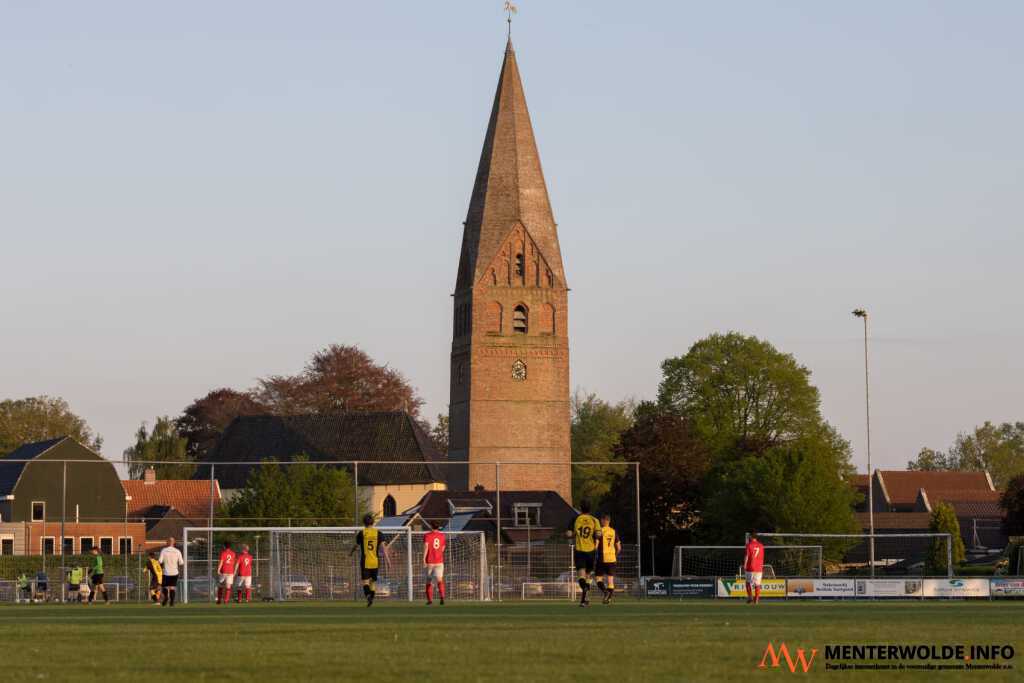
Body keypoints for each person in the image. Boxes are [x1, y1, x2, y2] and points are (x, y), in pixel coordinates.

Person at [566, 500, 601, 607]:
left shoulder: (576, 519)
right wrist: (595, 535)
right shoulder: (595, 520)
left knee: (581, 576)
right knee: (588, 576)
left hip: (580, 551)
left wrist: (571, 535)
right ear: (590, 509)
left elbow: (568, 534)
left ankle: (584, 593)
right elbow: (599, 534)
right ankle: (584, 600)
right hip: (591, 551)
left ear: (581, 508)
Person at [351, 514, 388, 607]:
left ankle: (368, 596)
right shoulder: (378, 533)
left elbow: (356, 545)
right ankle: (371, 597)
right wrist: (388, 560)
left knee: (365, 582)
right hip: (375, 561)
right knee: (373, 582)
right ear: (373, 522)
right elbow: (383, 548)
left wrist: (351, 552)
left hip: (365, 561)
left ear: (364, 523)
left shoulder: (361, 533)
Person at [595, 514, 622, 605]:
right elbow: (619, 548)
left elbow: (596, 545)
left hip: (602, 558)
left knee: (598, 579)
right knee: (610, 580)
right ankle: (608, 599)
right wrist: (614, 555)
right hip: (612, 559)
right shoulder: (614, 532)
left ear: (603, 520)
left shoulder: (600, 531)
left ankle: (605, 592)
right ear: (609, 521)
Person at [422, 522, 446, 606]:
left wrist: (424, 559)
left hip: (430, 562)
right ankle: (442, 597)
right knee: (439, 580)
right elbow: (443, 548)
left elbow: (426, 547)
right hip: (439, 561)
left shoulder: (427, 535)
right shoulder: (442, 536)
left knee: (429, 581)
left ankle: (430, 600)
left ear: (431, 526)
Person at [158, 537, 184, 607]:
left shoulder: (164, 550)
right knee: (172, 587)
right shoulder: (178, 551)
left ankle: (166, 597)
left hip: (166, 572)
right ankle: (172, 602)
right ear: (174, 542)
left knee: (165, 587)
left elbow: (160, 561)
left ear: (167, 542)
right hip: (175, 572)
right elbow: (181, 563)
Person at [744, 531, 765, 605]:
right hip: (759, 568)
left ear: (751, 537)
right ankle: (756, 600)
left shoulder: (749, 545)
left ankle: (750, 597)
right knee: (757, 585)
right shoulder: (761, 546)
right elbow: (762, 557)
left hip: (750, 567)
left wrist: (745, 565)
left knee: (747, 583)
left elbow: (747, 556)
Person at [216, 540, 236, 605]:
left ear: (224, 546)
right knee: (228, 586)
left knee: (220, 585)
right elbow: (233, 562)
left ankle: (219, 600)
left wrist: (218, 569)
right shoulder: (233, 553)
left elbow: (221, 562)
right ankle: (226, 600)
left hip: (224, 571)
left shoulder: (223, 553)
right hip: (230, 571)